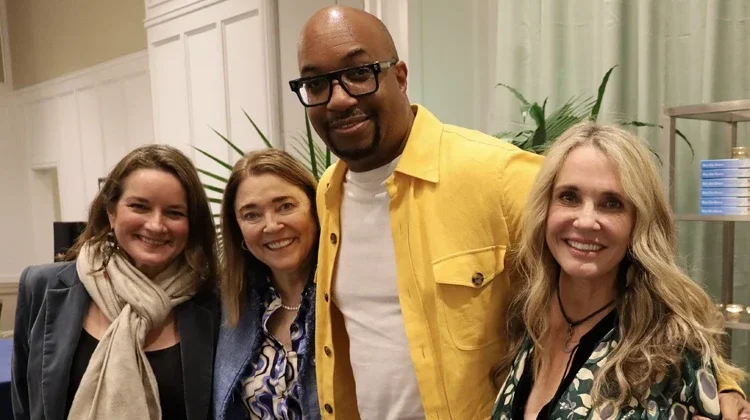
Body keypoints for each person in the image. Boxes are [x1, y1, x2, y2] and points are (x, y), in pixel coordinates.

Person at [291, 5, 750, 420]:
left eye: (359, 73)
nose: (339, 98)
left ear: (400, 75)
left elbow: (630, 254)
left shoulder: (495, 172)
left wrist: (716, 386)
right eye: (316, 83)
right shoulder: (328, 191)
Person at [490, 122, 747, 419]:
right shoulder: (527, 316)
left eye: (611, 203)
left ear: (638, 222)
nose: (586, 221)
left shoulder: (670, 348)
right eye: (569, 197)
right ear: (544, 208)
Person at [11, 144, 220, 420]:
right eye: (139, 206)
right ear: (111, 213)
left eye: (174, 213)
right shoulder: (43, 287)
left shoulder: (215, 303)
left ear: (191, 224)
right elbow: (24, 404)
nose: (156, 225)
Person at [212, 149, 320, 419]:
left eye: (286, 206)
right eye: (252, 215)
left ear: (316, 209)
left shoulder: (350, 294)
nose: (271, 226)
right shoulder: (231, 306)